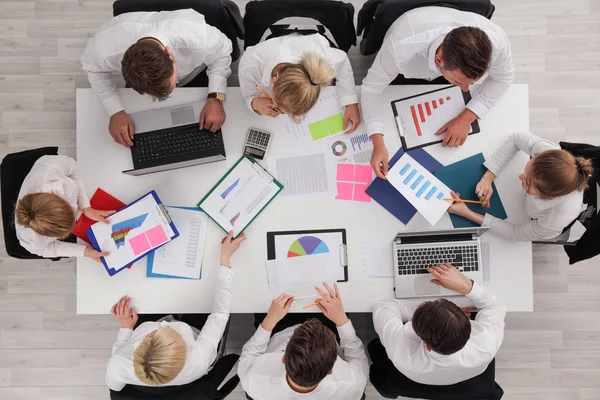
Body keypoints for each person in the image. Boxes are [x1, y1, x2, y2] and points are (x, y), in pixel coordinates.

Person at [362, 6, 514, 178]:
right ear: (439, 60)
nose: (465, 90)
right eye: (459, 82)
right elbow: (371, 87)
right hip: (411, 59)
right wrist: (377, 142)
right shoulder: (400, 47)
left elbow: (503, 78)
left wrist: (467, 117)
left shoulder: (497, 42)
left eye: (471, 83)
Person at [105, 231, 246, 391]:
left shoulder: (120, 363)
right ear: (184, 350)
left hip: (143, 326)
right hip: (195, 329)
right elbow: (220, 313)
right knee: (202, 296)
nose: (161, 327)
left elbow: (114, 387)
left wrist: (126, 329)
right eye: (171, 333)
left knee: (138, 288)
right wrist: (225, 258)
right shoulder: (199, 358)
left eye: (146, 338)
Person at [82, 9, 233, 147]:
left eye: (171, 83)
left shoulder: (198, 37)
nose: (172, 91)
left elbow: (224, 51)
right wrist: (115, 110)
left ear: (168, 53)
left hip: (196, 71)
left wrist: (215, 97)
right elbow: (93, 69)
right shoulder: (103, 48)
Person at [371, 264, 506, 387]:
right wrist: (466, 286)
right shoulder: (486, 343)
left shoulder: (401, 350)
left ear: (427, 346)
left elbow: (384, 307)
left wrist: (423, 310)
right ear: (468, 329)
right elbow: (496, 305)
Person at [448, 132, 593, 241]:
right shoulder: (548, 152)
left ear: (548, 197)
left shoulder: (553, 221)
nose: (520, 177)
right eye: (527, 169)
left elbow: (515, 233)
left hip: (533, 221)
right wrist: (489, 177)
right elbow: (516, 139)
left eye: (527, 183)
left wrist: (467, 213)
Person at [238, 283, 369, 399]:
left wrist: (270, 320)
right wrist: (341, 320)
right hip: (328, 326)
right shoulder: (352, 385)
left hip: (277, 328)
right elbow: (356, 354)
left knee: (263, 287)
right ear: (330, 370)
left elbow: (250, 353)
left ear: (283, 358)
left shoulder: (254, 380)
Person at [238, 33, 360, 132]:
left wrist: (351, 102)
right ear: (274, 81)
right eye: (279, 108)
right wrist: (255, 103)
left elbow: (343, 61)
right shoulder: (250, 66)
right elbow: (248, 95)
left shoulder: (323, 61)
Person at [14, 155, 113, 261]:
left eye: (71, 208)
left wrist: (85, 207)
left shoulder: (50, 167)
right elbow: (46, 250)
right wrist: (85, 251)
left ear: (55, 195)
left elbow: (73, 167)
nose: (76, 215)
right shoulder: (31, 239)